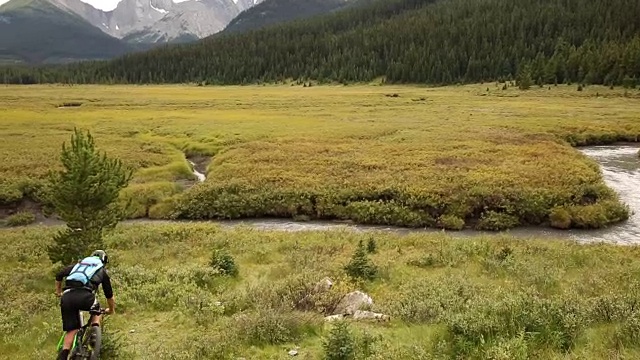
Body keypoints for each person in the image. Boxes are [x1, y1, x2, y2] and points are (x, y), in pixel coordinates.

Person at [55, 250, 115, 360]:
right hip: (85, 296)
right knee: (98, 309)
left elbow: (59, 275)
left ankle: (63, 354)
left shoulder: (78, 266)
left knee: (72, 330)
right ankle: (94, 332)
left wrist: (59, 292)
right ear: (103, 261)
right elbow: (109, 295)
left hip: (67, 297)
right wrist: (111, 310)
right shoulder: (101, 270)